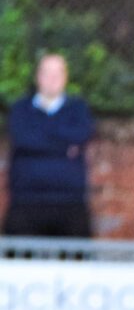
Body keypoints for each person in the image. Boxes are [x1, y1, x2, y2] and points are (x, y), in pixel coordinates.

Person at [3, 53, 95, 239]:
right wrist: (64, 146)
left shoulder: (78, 109)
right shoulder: (20, 109)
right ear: (38, 77)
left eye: (58, 73)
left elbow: (82, 135)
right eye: (47, 73)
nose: (52, 79)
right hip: (26, 201)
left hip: (70, 203)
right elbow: (22, 139)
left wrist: (40, 136)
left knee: (77, 264)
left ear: (65, 77)